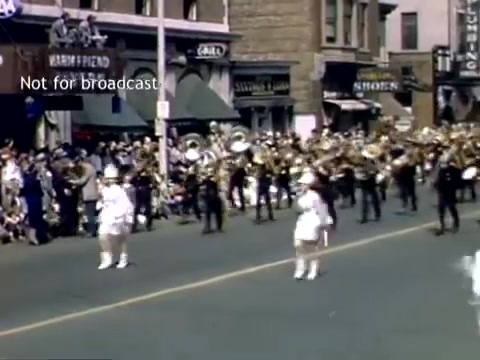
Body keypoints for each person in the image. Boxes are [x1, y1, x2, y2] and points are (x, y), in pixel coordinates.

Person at [293, 171, 331, 281]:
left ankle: (313, 269)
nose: (301, 186)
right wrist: (297, 198)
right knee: (298, 245)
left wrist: (324, 223)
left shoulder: (314, 196)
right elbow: (296, 210)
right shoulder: (299, 196)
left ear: (308, 185)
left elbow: (321, 209)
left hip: (313, 222)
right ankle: (300, 269)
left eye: (303, 184)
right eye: (300, 184)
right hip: (302, 221)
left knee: (311, 247)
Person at [97, 165, 134, 270]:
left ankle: (123, 257)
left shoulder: (119, 190)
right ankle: (107, 257)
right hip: (108, 215)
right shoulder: (105, 189)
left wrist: (124, 217)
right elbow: (102, 201)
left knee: (121, 237)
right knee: (103, 235)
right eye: (108, 179)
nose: (109, 181)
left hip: (120, 215)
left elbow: (125, 204)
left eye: (112, 179)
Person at [434, 154, 461, 235]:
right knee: (441, 209)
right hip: (442, 192)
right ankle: (442, 225)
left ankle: (456, 224)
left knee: (452, 208)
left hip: (450, 192)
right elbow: (438, 180)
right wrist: (436, 185)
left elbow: (458, 181)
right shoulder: (441, 170)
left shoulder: (454, 170)